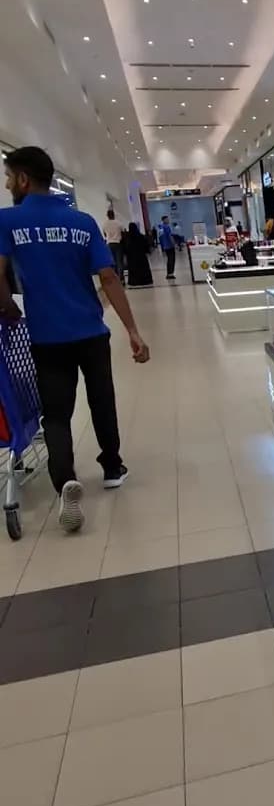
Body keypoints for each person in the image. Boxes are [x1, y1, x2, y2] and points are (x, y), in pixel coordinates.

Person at [0, 146, 150, 533]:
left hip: (47, 336)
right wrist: (133, 331)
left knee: (56, 412)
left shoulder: (7, 220)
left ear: (23, 179)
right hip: (90, 331)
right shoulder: (81, 222)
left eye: (8, 176)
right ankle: (112, 467)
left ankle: (65, 478)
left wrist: (8, 307)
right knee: (102, 399)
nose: (7, 183)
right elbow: (109, 278)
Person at [123, 222, 153, 288]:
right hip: (141, 256)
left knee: (133, 269)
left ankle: (134, 281)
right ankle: (145, 281)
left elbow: (125, 248)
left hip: (132, 257)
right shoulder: (141, 236)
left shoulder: (128, 238)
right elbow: (146, 246)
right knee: (143, 269)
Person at [103, 207, 124, 280]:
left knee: (113, 262)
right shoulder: (118, 223)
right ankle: (121, 279)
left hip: (109, 244)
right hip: (118, 243)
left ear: (107, 215)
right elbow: (122, 233)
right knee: (119, 262)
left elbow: (105, 234)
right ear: (113, 215)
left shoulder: (105, 224)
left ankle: (115, 279)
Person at [158, 214, 176, 280]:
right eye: (167, 219)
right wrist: (174, 244)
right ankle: (171, 274)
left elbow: (160, 236)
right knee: (172, 259)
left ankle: (169, 273)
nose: (168, 220)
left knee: (169, 259)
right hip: (170, 245)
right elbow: (170, 236)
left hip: (165, 246)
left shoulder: (161, 227)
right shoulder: (167, 227)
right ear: (164, 220)